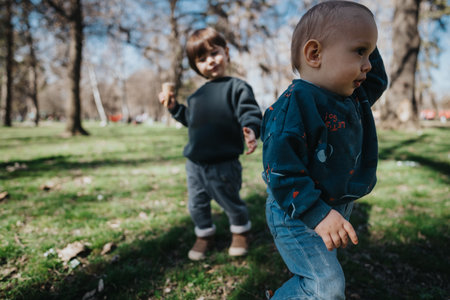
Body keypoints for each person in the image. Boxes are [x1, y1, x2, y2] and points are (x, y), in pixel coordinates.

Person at [261, 1, 388, 299]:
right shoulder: (295, 103)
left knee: (323, 274)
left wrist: (368, 39)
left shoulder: (353, 96)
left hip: (333, 206)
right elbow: (281, 170)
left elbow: (378, 80)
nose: (368, 64)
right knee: (325, 286)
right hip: (297, 211)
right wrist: (317, 214)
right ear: (315, 54)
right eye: (360, 51)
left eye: (370, 54)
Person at [158, 27, 262, 261]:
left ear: (226, 52)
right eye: (202, 59)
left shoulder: (237, 87)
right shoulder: (196, 96)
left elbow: (250, 112)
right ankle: (204, 234)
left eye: (214, 53)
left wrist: (251, 129)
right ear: (196, 67)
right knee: (196, 204)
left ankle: (241, 231)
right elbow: (189, 120)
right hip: (195, 163)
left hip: (223, 163)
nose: (210, 61)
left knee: (230, 201)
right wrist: (175, 108)